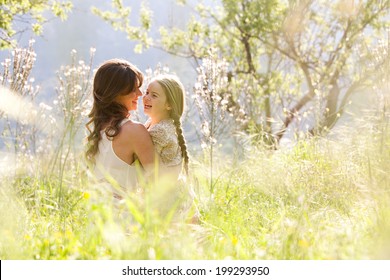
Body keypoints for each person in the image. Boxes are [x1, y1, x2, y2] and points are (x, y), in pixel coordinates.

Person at [85, 59, 155, 199]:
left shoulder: (96, 130)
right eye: (133, 89)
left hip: (97, 216)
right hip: (124, 216)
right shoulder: (134, 131)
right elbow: (159, 181)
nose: (140, 94)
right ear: (115, 92)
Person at [143, 74, 198, 221]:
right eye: (147, 92)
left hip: (169, 200)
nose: (146, 97)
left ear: (169, 105)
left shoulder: (160, 130)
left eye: (154, 95)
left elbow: (144, 163)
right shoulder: (154, 123)